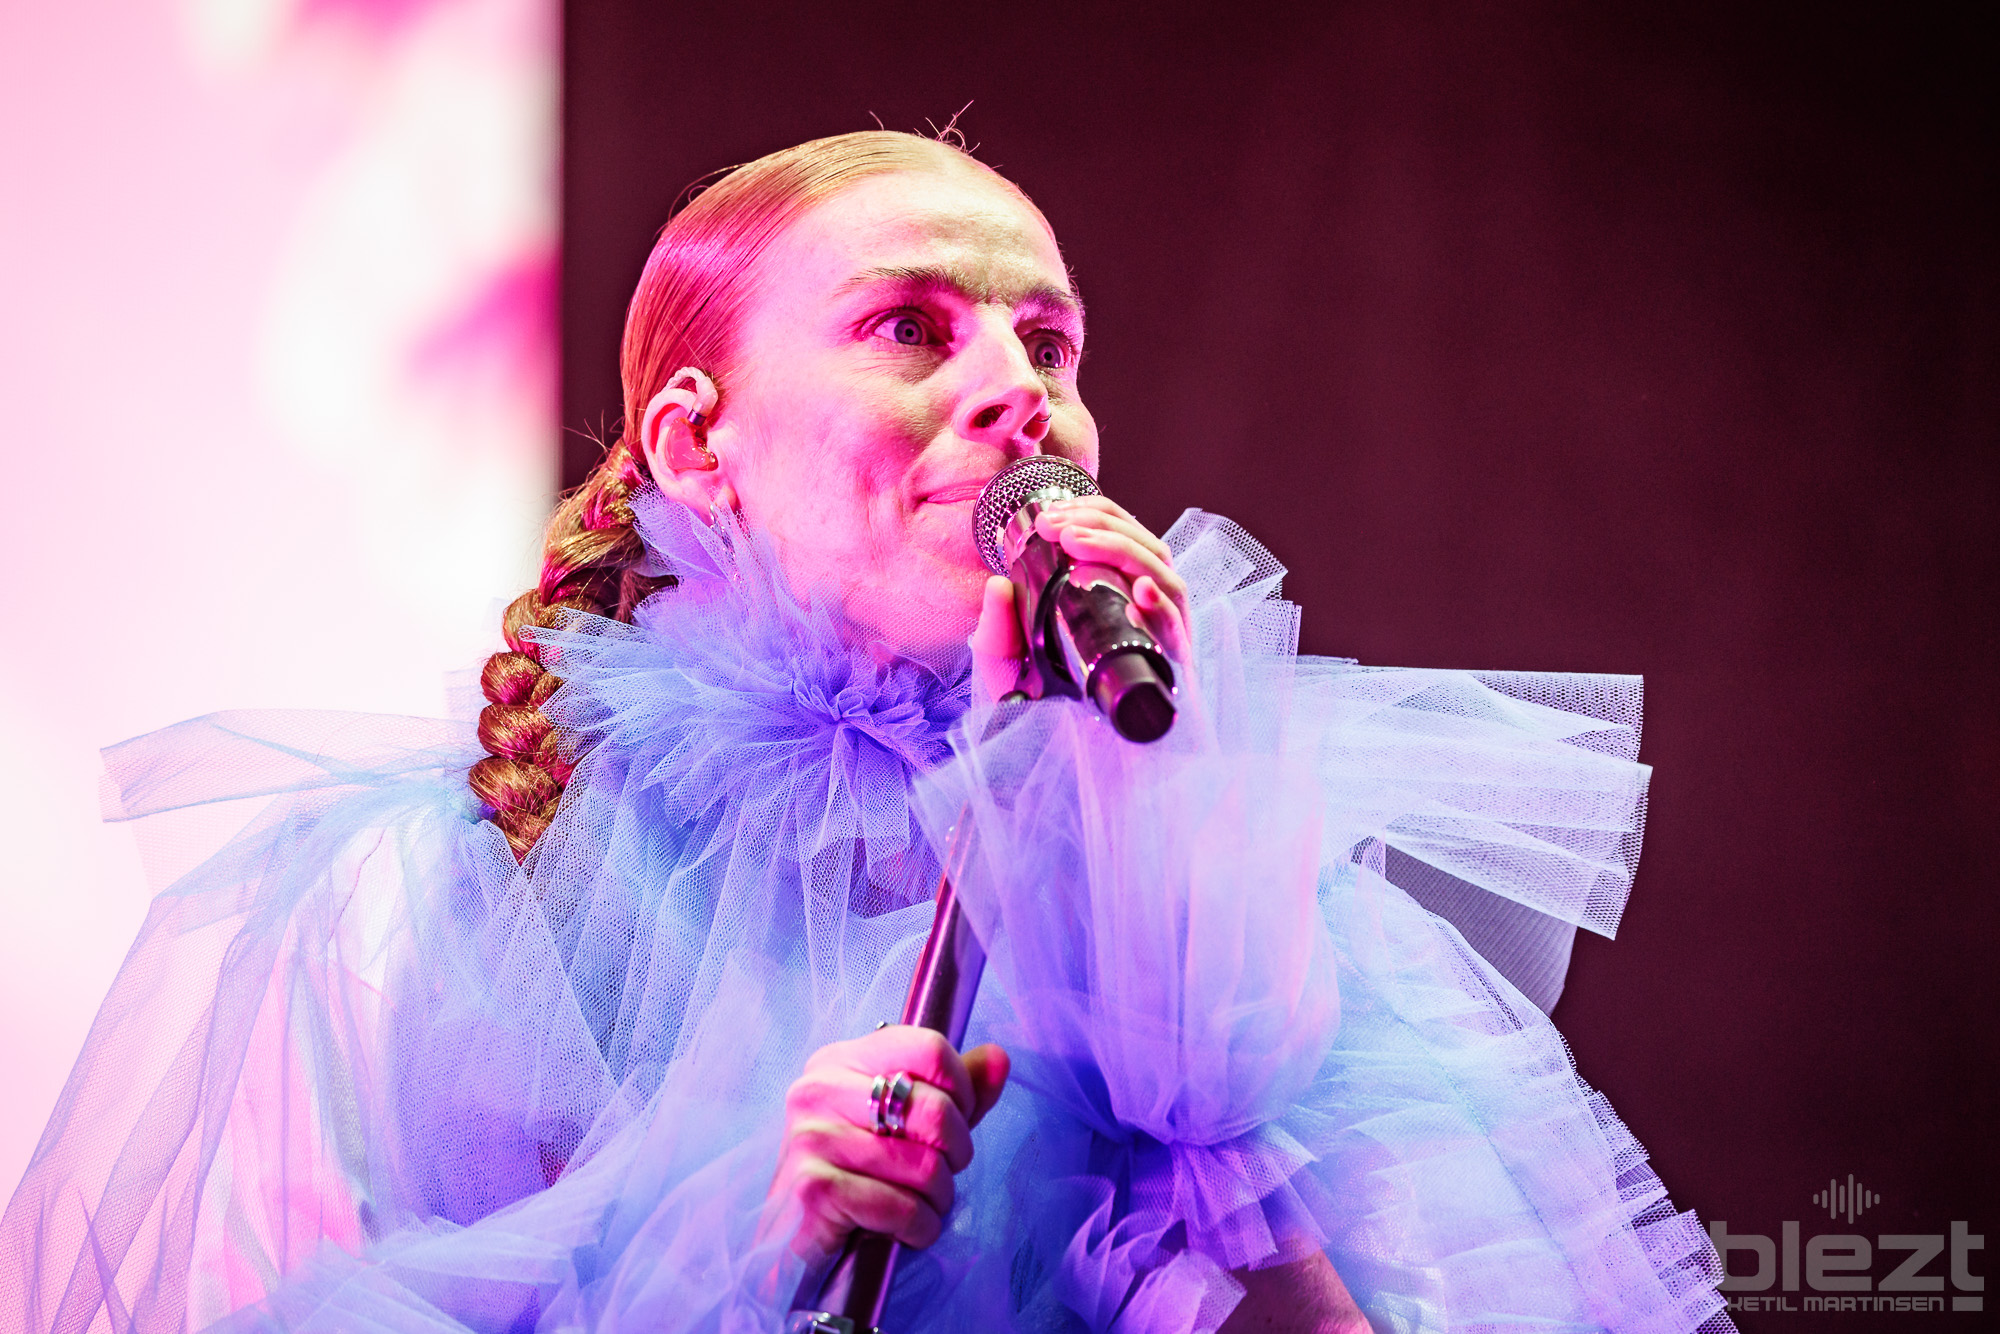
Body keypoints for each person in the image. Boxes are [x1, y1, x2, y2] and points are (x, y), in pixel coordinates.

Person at [1, 130, 1732, 1333]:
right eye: (911, 326)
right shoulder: (459, 890)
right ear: (696, 442)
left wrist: (1174, 977)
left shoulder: (1208, 874)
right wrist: (758, 1252)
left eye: (1048, 341)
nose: (1017, 390)